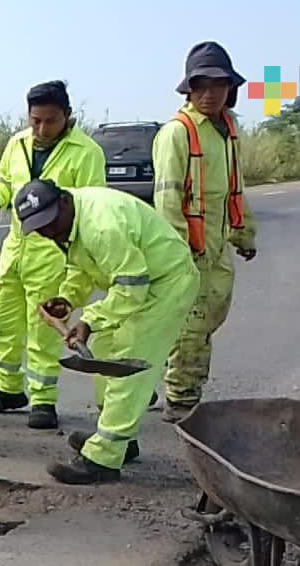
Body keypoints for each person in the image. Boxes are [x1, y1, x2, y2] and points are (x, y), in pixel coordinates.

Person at [15, 179, 198, 485]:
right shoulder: (70, 222)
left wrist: (89, 321)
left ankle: (102, 459)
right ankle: (118, 438)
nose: (48, 233)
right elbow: (83, 267)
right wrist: (68, 299)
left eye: (48, 223)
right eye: (39, 229)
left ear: (63, 201)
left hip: (165, 283)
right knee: (105, 355)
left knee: (128, 366)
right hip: (142, 284)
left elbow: (131, 288)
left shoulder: (102, 226)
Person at [0, 81, 107, 430]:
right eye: (35, 121)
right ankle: (9, 390)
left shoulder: (86, 152)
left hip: (53, 251)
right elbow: (5, 182)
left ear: (67, 116)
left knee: (42, 327)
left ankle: (43, 400)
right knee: (3, 321)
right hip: (16, 246)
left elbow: (90, 204)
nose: (41, 129)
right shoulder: (16, 144)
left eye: (50, 121)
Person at [154, 41, 258, 422]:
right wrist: (178, 254)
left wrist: (244, 234)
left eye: (218, 85)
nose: (209, 94)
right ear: (189, 88)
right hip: (187, 250)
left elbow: (235, 187)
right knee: (190, 324)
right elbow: (168, 199)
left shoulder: (228, 130)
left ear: (231, 88)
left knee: (210, 317)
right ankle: (181, 399)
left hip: (217, 246)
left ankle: (186, 389)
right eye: (201, 86)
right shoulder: (176, 134)